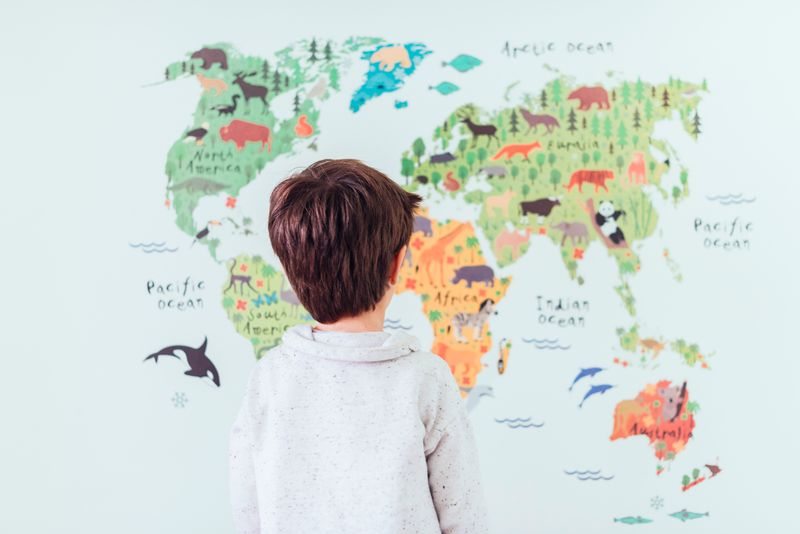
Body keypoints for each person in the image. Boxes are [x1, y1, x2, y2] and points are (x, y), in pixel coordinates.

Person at [229, 159, 489, 533]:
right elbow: (466, 519)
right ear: (396, 265)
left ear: (290, 271)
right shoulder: (425, 380)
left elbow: (247, 514)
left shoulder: (269, 379)